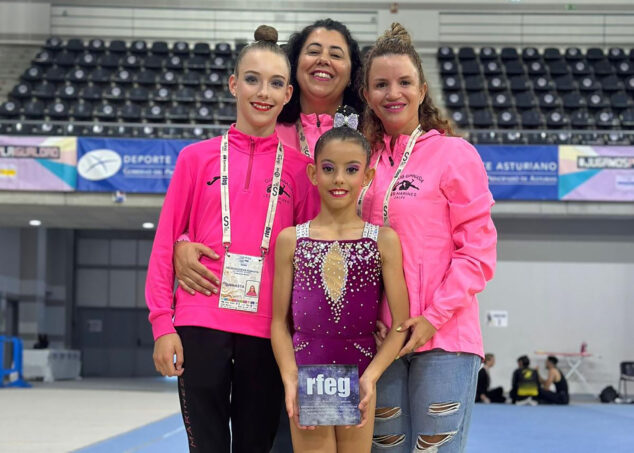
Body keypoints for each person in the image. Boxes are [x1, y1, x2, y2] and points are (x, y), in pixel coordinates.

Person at [145, 26, 319, 453]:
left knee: (255, 446)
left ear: (287, 94)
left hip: (267, 331)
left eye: (276, 83)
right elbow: (166, 242)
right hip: (199, 322)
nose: (263, 92)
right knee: (205, 446)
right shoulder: (195, 158)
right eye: (253, 79)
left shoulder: (301, 171)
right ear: (233, 84)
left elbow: (308, 257)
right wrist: (161, 324)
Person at [360, 24, 497, 452]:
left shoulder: (455, 155)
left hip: (445, 340)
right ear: (366, 95)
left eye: (403, 82)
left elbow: (477, 252)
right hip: (381, 341)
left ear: (422, 90)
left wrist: (433, 317)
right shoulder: (361, 163)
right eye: (380, 84)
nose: (392, 93)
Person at [171, 18, 363, 296]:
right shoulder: (265, 128)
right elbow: (220, 204)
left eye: (336, 54)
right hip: (270, 294)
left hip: (348, 283)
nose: (324, 60)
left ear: (352, 71)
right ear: (294, 67)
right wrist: (182, 243)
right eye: (313, 51)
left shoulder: (371, 137)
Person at [270, 120, 409, 452]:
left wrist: (371, 377)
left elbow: (401, 326)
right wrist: (290, 378)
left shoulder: (383, 241)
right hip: (307, 372)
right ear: (314, 174)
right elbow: (278, 323)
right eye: (329, 168)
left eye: (351, 169)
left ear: (367, 177)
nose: (339, 179)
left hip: (359, 372)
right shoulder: (291, 240)